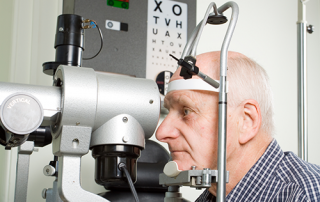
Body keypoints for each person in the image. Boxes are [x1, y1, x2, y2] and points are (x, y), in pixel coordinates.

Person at [156, 51, 320, 201]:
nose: (161, 132)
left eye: (186, 111)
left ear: (246, 121)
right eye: (169, 110)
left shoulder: (306, 195)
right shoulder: (210, 197)